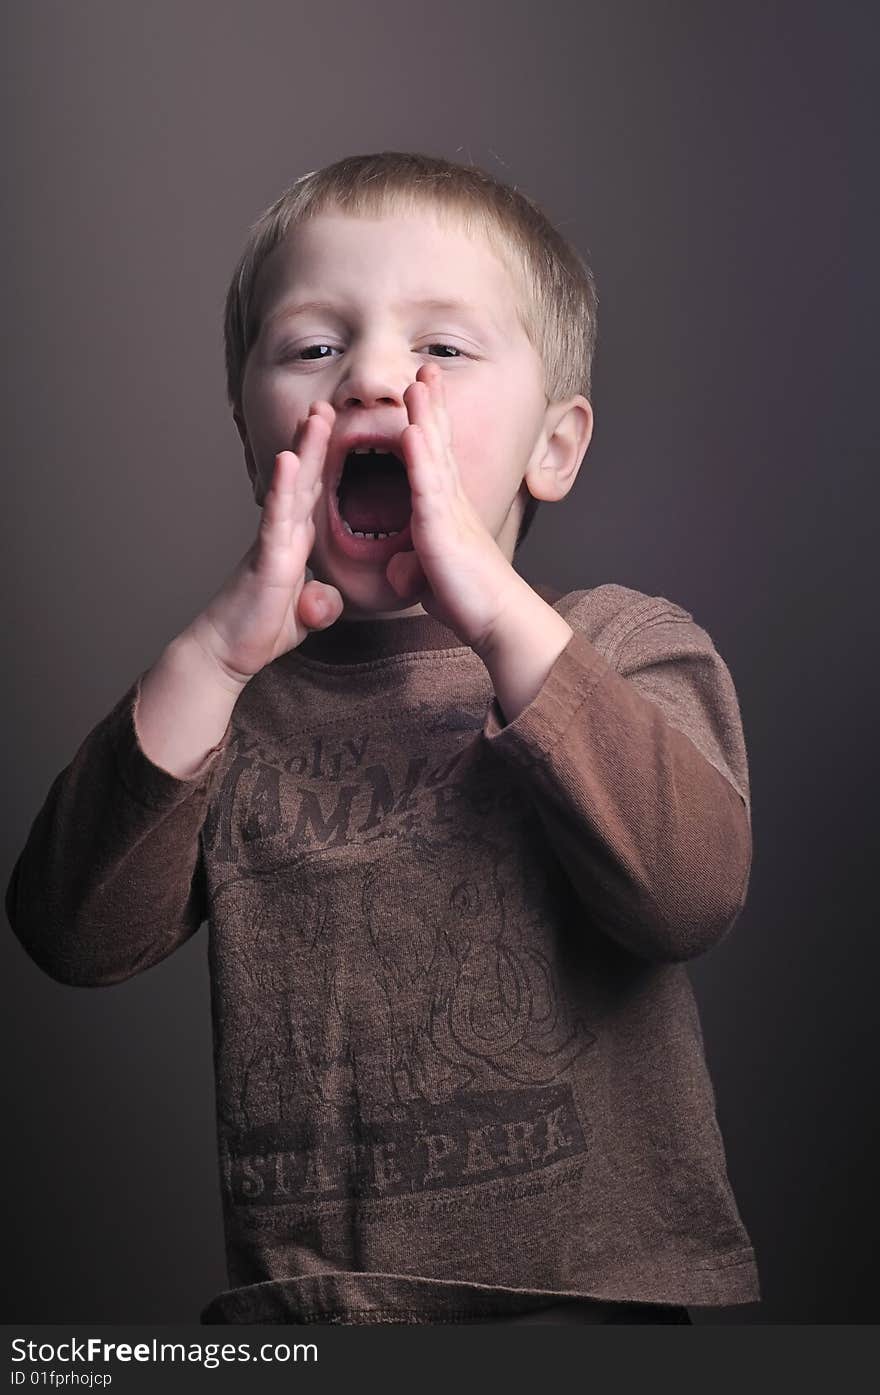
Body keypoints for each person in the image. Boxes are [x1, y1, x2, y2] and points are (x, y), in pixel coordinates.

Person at [5, 151, 758, 1326]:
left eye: (441, 349)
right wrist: (208, 659)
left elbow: (690, 894)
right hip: (310, 1318)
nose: (368, 375)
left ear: (553, 448)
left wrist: (495, 612)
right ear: (253, 435)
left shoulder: (621, 648)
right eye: (312, 347)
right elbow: (70, 933)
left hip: (592, 1307)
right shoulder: (228, 709)